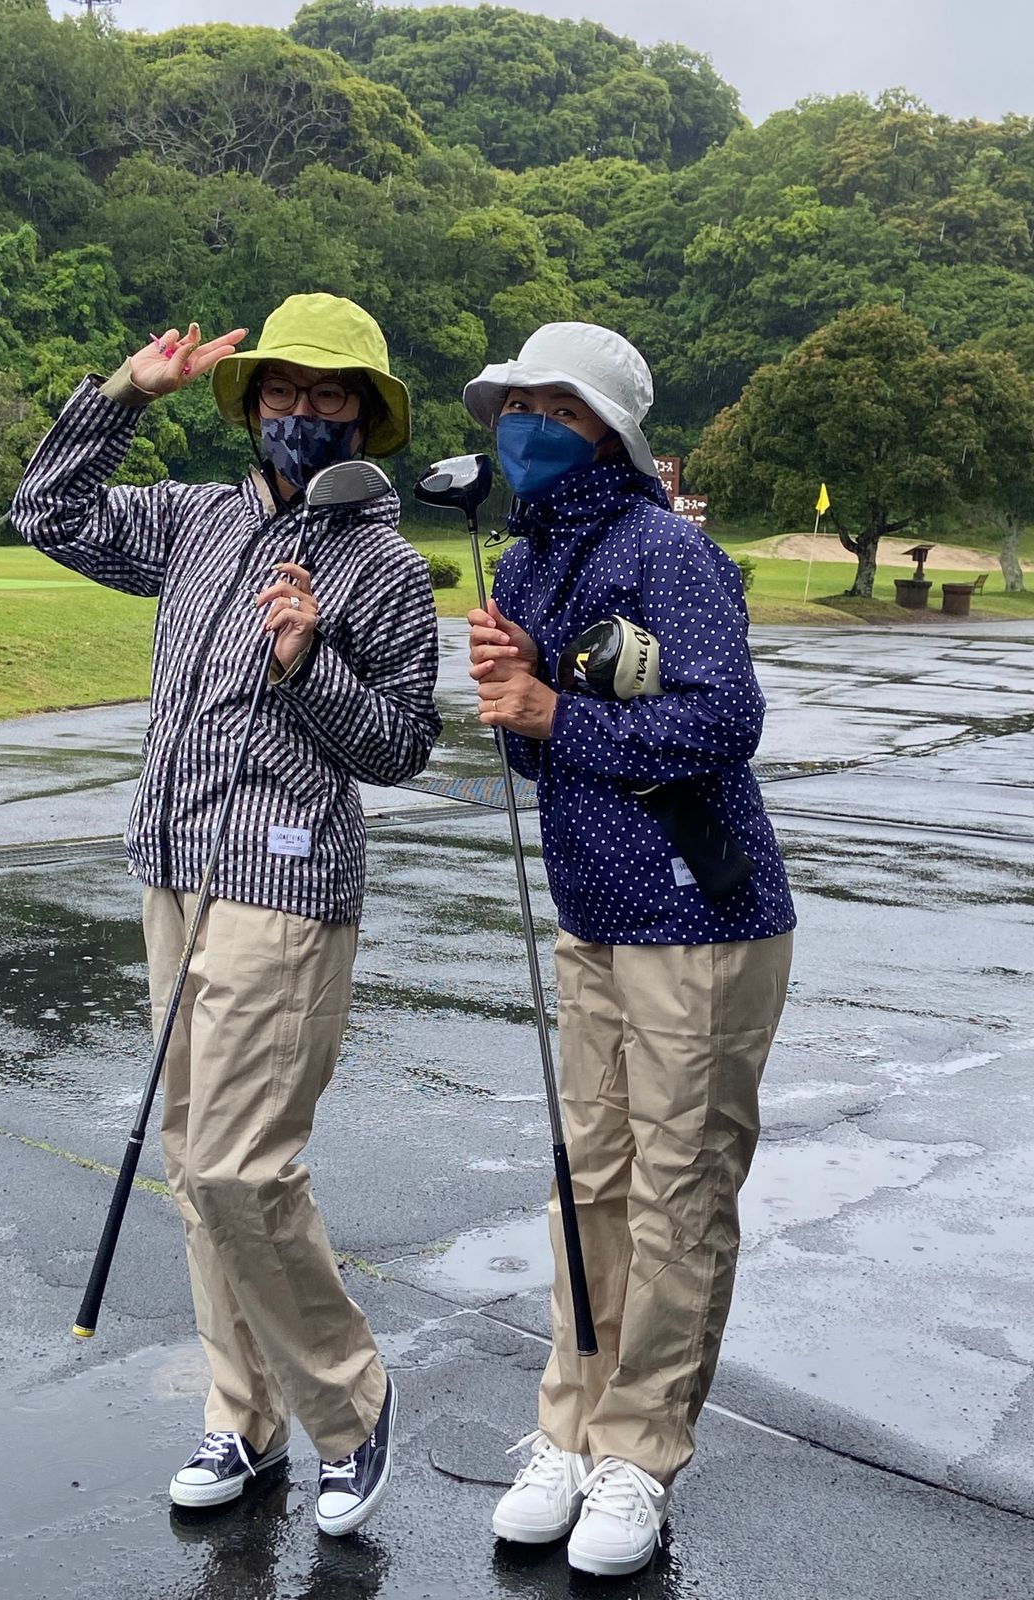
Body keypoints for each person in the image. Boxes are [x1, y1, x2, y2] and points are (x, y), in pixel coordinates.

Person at [12, 293, 441, 1535]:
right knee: (197, 1178)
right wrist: (123, 394)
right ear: (251, 404)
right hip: (173, 871)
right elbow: (51, 513)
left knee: (239, 1168)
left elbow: (405, 746)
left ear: (364, 412)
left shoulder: (385, 567)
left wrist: (312, 665)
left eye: (329, 394)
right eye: (282, 391)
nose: (303, 412)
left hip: (287, 885)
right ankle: (241, 1421)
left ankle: (354, 1408)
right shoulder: (197, 520)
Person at [462, 323, 795, 1578]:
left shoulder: (669, 548)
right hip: (595, 914)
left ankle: (640, 1451)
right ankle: (570, 1425)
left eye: (550, 404)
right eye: (512, 403)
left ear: (605, 426)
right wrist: (517, 705)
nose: (522, 425)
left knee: (679, 1193)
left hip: (703, 919)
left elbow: (727, 720)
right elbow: (538, 755)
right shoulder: (531, 564)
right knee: (587, 1182)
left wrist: (553, 706)